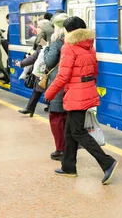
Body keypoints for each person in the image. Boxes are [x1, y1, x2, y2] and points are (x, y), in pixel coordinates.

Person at [45, 16, 118, 184]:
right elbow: (95, 71)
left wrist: (49, 94)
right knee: (70, 131)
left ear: (68, 31)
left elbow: (63, 76)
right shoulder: (89, 46)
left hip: (76, 95)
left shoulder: (69, 47)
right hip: (86, 91)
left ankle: (107, 162)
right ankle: (68, 166)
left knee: (77, 131)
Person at [43, 12, 69, 160]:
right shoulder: (75, 39)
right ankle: (69, 146)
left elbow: (49, 62)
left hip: (58, 82)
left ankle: (60, 149)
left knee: (56, 117)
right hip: (71, 84)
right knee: (67, 117)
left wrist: (46, 49)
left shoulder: (56, 40)